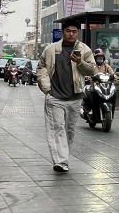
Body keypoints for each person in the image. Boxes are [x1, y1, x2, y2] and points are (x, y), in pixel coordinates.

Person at [37, 20, 96, 173]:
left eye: (74, 31)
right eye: (68, 31)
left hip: (75, 97)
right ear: (62, 32)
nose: (71, 34)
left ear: (78, 33)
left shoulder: (84, 49)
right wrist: (47, 89)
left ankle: (64, 159)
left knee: (69, 130)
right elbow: (41, 67)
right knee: (57, 128)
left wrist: (80, 62)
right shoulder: (50, 50)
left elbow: (91, 70)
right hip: (55, 97)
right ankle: (60, 161)